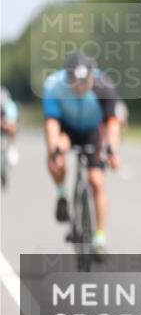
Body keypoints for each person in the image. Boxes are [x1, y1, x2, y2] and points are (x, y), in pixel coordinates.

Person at [42, 53, 122, 257]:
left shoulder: (104, 85)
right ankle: (62, 194)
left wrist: (112, 150)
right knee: (56, 157)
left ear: (92, 76)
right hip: (67, 129)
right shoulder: (54, 86)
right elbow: (52, 123)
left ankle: (100, 237)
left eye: (84, 82)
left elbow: (112, 122)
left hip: (92, 131)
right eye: (74, 82)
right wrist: (54, 151)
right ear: (67, 78)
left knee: (96, 181)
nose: (79, 87)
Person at [1, 87, 20, 188]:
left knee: (12, 130)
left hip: (7, 128)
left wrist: (5, 125)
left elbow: (12, 126)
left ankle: (12, 147)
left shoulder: (10, 106)